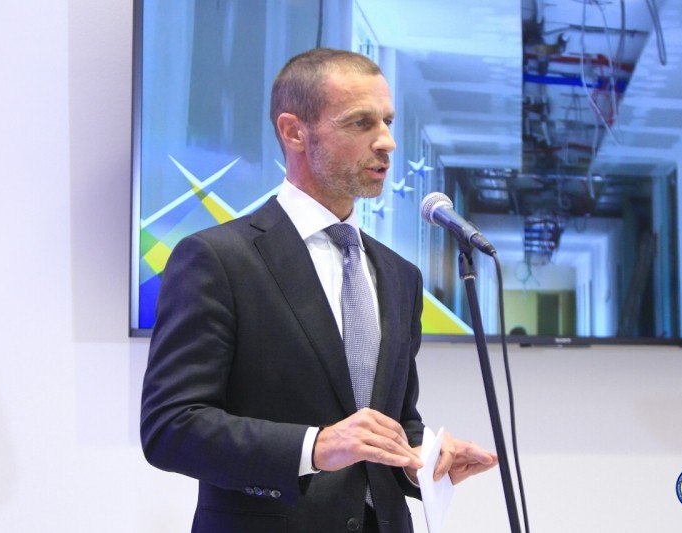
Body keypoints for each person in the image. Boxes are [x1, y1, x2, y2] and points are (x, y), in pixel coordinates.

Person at [140, 47, 498, 533]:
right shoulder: (218, 259)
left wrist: (423, 461)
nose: (387, 141)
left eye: (388, 122)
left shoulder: (400, 276)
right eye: (361, 123)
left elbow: (395, 418)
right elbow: (170, 427)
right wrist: (314, 447)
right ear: (294, 132)